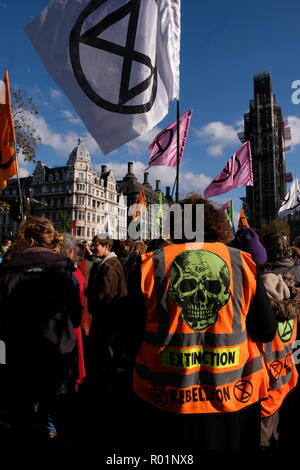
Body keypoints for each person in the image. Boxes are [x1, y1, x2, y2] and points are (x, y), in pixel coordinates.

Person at [130, 193, 277, 453]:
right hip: (235, 400)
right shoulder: (242, 263)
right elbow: (266, 331)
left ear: (175, 226)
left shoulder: (150, 264)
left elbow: (127, 334)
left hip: (166, 400)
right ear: (215, 225)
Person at [0, 216, 82, 448]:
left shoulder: (7, 273)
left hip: (19, 359)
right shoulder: (67, 271)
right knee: (58, 419)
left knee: (23, 425)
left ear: (26, 239)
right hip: (58, 356)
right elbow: (76, 318)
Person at [86, 234, 128, 386]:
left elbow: (106, 295)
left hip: (106, 315)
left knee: (105, 348)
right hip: (111, 315)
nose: (93, 247)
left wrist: (91, 297)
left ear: (106, 246)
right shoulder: (110, 262)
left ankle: (106, 381)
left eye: (96, 245)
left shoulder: (109, 265)